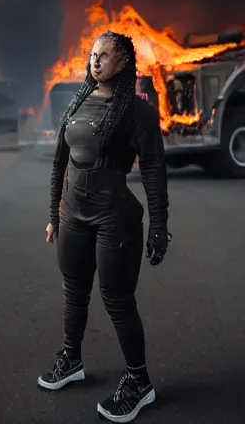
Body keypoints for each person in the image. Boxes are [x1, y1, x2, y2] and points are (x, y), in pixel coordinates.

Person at [38, 31, 171, 423]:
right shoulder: (77, 102)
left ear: (124, 62)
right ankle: (72, 360)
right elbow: (59, 162)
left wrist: (159, 225)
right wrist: (52, 214)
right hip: (72, 214)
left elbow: (152, 169)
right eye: (93, 54)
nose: (96, 61)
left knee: (116, 300)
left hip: (115, 219)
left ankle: (138, 382)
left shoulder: (138, 112)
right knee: (74, 291)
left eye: (106, 55)